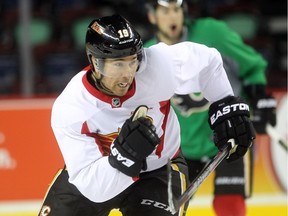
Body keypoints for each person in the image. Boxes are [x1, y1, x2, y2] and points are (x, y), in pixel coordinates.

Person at [38, 14, 256, 216]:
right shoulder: (72, 108)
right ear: (95, 62)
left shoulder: (156, 65)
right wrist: (125, 158)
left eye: (132, 61)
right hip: (97, 173)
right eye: (117, 64)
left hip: (160, 170)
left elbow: (208, 62)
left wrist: (224, 103)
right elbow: (94, 189)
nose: (127, 75)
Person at [144, 1, 277, 216]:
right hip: (182, 149)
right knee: (168, 210)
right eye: (165, 11)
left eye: (177, 10)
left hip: (229, 139)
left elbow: (251, 65)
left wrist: (260, 97)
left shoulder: (212, 32)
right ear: (152, 17)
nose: (173, 17)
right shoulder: (148, 56)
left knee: (229, 207)